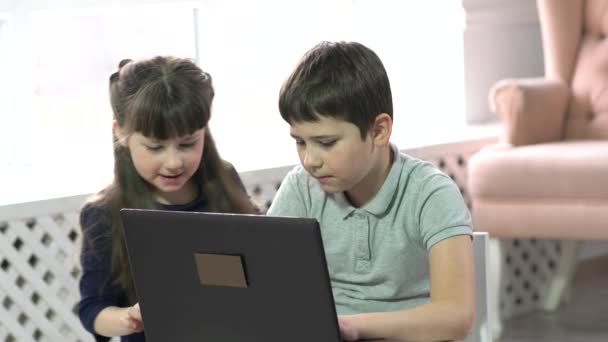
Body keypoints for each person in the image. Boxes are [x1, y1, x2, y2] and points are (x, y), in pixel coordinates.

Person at [267, 41, 476, 341]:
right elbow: (268, 284)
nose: (310, 160)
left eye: (326, 143)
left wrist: (352, 326)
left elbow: (455, 316)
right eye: (300, 142)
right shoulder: (301, 189)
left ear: (379, 130)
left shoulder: (431, 194)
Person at [77, 56, 258, 342]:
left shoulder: (224, 181)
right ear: (121, 133)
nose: (173, 162)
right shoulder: (103, 214)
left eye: (187, 143)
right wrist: (129, 318)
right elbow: (93, 310)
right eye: (155, 147)